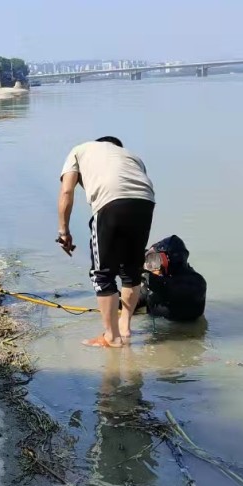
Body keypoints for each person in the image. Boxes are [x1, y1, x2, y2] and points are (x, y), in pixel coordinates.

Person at [57, 135, 155, 347]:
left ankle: (111, 337)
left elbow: (67, 190)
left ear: (98, 143)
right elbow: (133, 192)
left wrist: (64, 231)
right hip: (146, 200)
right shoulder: (132, 156)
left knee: (101, 273)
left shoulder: (79, 150)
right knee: (132, 270)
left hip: (110, 201)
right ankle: (125, 328)